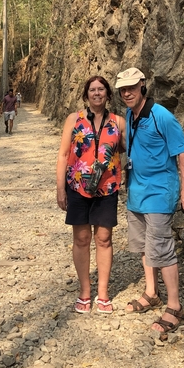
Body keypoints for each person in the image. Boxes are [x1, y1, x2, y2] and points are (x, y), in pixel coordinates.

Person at [115, 67, 184, 336]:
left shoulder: (161, 115)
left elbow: (183, 152)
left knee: (161, 248)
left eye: (131, 87)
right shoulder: (129, 114)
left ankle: (175, 307)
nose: (126, 92)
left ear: (142, 86)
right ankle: (152, 293)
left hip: (160, 192)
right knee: (143, 246)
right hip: (136, 191)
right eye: (122, 89)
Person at [56, 76, 125, 315]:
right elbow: (64, 155)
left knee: (104, 239)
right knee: (82, 239)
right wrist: (60, 189)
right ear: (86, 95)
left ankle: (103, 293)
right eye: (92, 90)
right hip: (77, 187)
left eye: (101, 90)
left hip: (107, 188)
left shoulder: (118, 122)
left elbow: (129, 150)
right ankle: (85, 292)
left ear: (107, 94)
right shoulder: (74, 120)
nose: (97, 93)